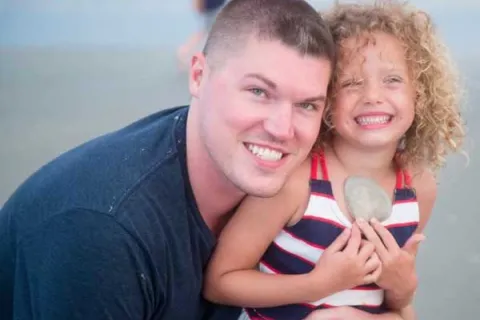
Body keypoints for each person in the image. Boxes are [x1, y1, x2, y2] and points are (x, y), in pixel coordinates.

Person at [0, 0, 336, 319]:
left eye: (307, 105)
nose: (282, 129)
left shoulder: (289, 188)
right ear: (198, 76)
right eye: (258, 92)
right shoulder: (107, 234)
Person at [203, 1, 465, 319]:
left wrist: (403, 286)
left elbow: (397, 304)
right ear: (325, 100)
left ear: (419, 93)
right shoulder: (298, 183)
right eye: (351, 83)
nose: (373, 96)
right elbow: (220, 282)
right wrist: (317, 285)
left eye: (392, 80)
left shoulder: (418, 186)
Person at [177, 0, 227, 69]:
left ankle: (184, 52)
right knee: (203, 33)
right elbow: (197, 5)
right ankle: (184, 53)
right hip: (210, 11)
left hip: (214, 9)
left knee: (204, 33)